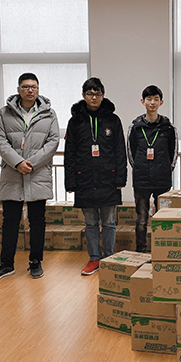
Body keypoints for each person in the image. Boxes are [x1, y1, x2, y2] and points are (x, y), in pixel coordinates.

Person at [0, 73, 60, 282]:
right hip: (12, 173)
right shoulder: (4, 113)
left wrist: (32, 163)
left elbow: (53, 141)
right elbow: (0, 140)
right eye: (26, 86)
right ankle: (6, 264)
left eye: (34, 87)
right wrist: (17, 162)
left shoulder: (49, 114)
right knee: (10, 221)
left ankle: (35, 262)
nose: (30, 90)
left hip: (38, 174)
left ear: (38, 89)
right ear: (18, 89)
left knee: (37, 221)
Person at [64, 77, 127, 275]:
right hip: (84, 179)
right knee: (90, 223)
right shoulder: (75, 121)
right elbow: (69, 153)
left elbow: (120, 150)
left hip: (108, 178)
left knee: (109, 222)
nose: (94, 97)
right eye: (90, 94)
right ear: (83, 95)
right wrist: (70, 181)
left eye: (97, 93)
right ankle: (94, 258)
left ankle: (108, 257)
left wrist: (121, 178)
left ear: (103, 95)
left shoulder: (113, 120)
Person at [127, 85, 178, 253]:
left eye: (156, 99)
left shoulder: (168, 127)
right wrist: (140, 168)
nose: (152, 102)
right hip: (141, 180)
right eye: (149, 99)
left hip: (162, 180)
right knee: (142, 219)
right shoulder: (135, 126)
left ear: (161, 102)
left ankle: (162, 251)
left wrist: (167, 169)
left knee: (163, 218)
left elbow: (173, 152)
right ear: (143, 101)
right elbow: (131, 153)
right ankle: (141, 251)